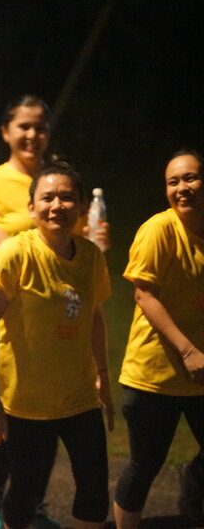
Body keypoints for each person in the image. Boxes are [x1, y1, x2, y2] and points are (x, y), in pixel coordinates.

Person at [0, 94, 109, 529]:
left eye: (41, 126)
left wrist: (96, 241)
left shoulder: (58, 180)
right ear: (6, 132)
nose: (33, 134)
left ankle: (26, 500)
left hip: (60, 312)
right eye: (24, 126)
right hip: (7, 312)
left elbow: (79, 244)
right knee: (16, 410)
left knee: (46, 423)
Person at [113, 150, 204, 528]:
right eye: (173, 182)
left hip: (200, 369)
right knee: (145, 464)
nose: (182, 188)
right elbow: (144, 295)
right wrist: (188, 350)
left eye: (190, 178)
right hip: (155, 372)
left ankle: (194, 480)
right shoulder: (159, 229)